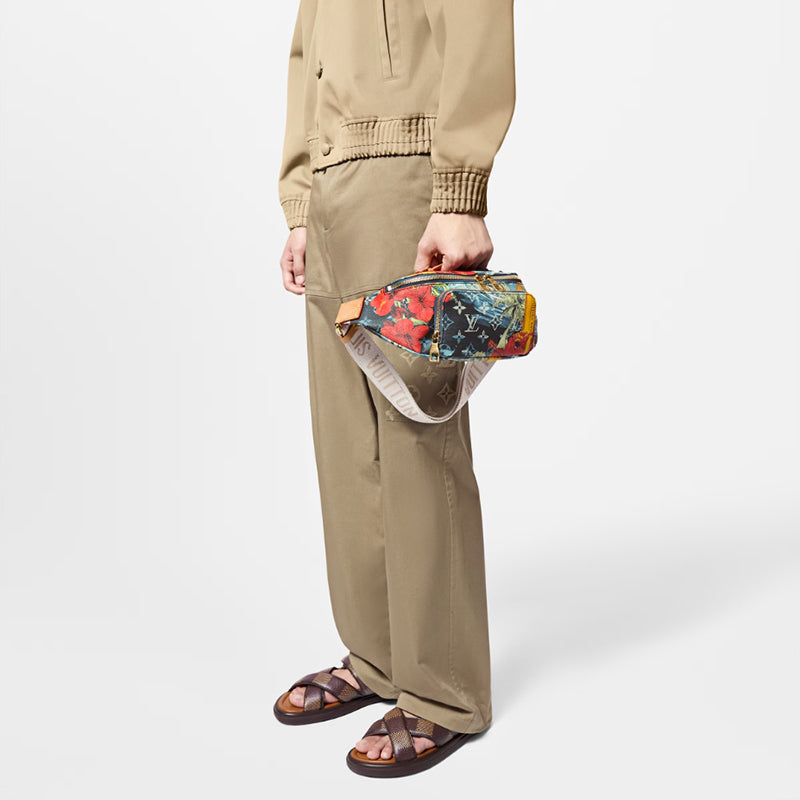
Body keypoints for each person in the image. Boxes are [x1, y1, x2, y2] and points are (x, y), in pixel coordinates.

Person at [273, 0, 516, 778]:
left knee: (417, 429)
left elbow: (477, 18)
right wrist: (302, 201)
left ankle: (444, 690)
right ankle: (378, 658)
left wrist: (459, 191)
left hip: (406, 166)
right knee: (345, 438)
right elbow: (308, 50)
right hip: (333, 174)